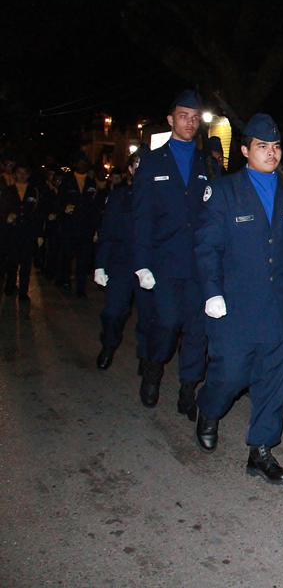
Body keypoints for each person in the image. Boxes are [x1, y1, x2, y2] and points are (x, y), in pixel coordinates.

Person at [193, 114, 283, 483]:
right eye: (262, 146)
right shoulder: (224, 191)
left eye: (276, 147)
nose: (272, 153)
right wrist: (212, 291)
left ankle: (261, 450)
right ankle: (209, 409)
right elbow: (207, 247)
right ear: (244, 151)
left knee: (274, 385)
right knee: (229, 376)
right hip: (236, 305)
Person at [132, 89, 209, 415]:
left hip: (198, 264)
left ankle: (188, 391)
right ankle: (153, 368)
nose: (189, 122)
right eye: (183, 116)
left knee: (197, 331)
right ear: (170, 120)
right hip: (164, 262)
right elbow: (140, 217)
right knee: (166, 322)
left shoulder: (207, 163)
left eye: (194, 118)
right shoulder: (151, 161)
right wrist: (141, 264)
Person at [94, 155, 153, 373]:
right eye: (137, 165)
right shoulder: (118, 196)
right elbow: (107, 231)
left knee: (148, 316)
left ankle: (145, 356)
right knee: (113, 312)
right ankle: (109, 344)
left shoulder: (160, 197)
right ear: (129, 169)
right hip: (121, 262)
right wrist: (100, 265)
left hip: (150, 265)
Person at [56, 151, 103, 296]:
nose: (82, 165)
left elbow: (96, 207)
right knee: (67, 256)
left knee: (83, 259)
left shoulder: (92, 184)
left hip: (86, 228)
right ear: (75, 164)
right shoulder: (67, 182)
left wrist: (95, 228)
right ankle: (65, 280)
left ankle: (81, 288)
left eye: (84, 162)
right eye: (79, 162)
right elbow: (59, 202)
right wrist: (64, 208)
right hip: (69, 226)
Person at [3, 163, 42, 301]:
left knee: (26, 263)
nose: (22, 175)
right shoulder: (8, 191)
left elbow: (38, 213)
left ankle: (23, 291)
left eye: (25, 172)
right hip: (12, 232)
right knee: (12, 261)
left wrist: (38, 234)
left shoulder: (34, 191)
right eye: (19, 173)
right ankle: (10, 285)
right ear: (14, 174)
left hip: (28, 233)